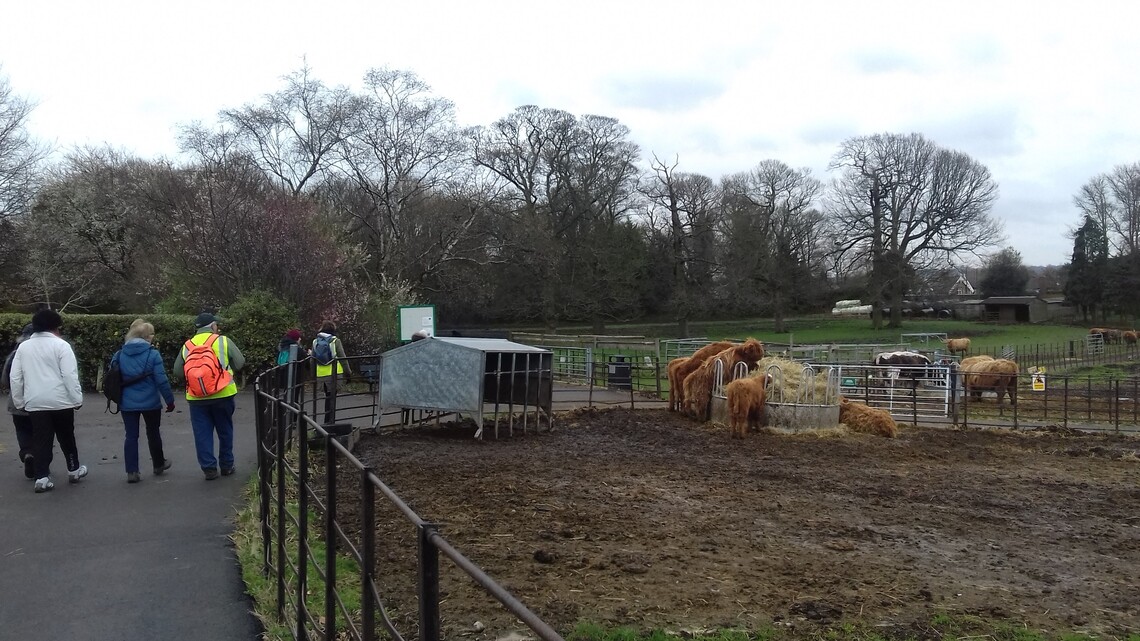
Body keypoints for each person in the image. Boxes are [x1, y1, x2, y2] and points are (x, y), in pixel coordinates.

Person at [10, 309, 86, 493]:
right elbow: (69, 375)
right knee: (66, 437)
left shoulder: (24, 347)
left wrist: (19, 401)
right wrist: (77, 399)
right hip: (61, 401)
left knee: (41, 439)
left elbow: (15, 377)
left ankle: (41, 477)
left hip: (35, 401)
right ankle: (73, 469)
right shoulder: (61, 346)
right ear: (55, 326)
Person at [172, 312, 245, 480]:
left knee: (202, 433)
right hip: (223, 393)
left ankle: (209, 469)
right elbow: (240, 362)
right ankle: (227, 465)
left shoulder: (187, 345)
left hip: (196, 397)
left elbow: (177, 371)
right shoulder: (223, 341)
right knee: (225, 430)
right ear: (213, 326)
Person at [112, 319, 176, 483]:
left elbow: (113, 376)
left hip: (127, 402)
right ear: (146, 336)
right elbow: (161, 381)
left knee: (131, 436)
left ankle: (132, 471)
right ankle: (158, 464)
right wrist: (169, 400)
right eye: (151, 334)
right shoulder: (152, 354)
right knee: (153, 432)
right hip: (151, 402)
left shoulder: (119, 354)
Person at [2, 324, 36, 479]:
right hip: (38, 399)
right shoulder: (41, 352)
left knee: (22, 430)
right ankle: (40, 461)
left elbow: (5, 378)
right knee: (41, 431)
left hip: (16, 401)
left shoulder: (15, 353)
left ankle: (27, 452)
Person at [312, 320, 351, 425]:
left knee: (327, 397)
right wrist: (348, 372)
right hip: (334, 374)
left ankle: (327, 421)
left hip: (321, 375)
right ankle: (329, 422)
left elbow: (312, 360)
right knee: (331, 398)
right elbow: (343, 358)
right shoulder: (335, 341)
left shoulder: (315, 342)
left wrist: (313, 375)